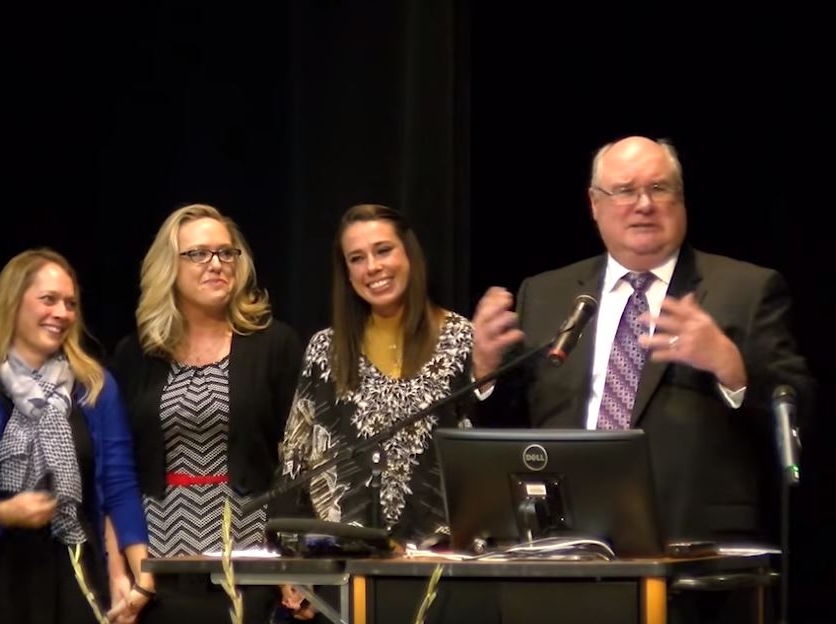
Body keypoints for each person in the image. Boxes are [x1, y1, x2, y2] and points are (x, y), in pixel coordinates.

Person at [471, 136, 815, 622]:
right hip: (563, 552)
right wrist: (484, 371)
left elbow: (797, 403)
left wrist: (731, 367)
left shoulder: (745, 288)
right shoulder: (545, 294)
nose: (644, 204)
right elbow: (507, 425)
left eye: (659, 188)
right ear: (595, 204)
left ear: (682, 199)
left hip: (695, 561)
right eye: (624, 190)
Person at [110, 203, 303, 623]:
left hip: (248, 566)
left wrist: (290, 560)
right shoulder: (137, 354)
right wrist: (123, 570)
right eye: (198, 254)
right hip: (157, 571)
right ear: (169, 268)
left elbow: (298, 460)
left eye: (226, 252)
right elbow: (117, 469)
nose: (216, 264)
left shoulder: (274, 345)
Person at [278, 203, 474, 547]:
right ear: (346, 272)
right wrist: (296, 553)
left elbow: (482, 456)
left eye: (383, 250)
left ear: (410, 254)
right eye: (357, 258)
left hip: (440, 561)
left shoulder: (461, 338)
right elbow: (297, 460)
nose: (372, 267)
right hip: (345, 560)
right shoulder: (326, 349)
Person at [0, 248, 153, 624]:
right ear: (13, 303)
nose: (62, 313)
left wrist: (136, 574)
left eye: (70, 304)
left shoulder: (94, 387)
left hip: (78, 567)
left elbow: (119, 485)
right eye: (49, 299)